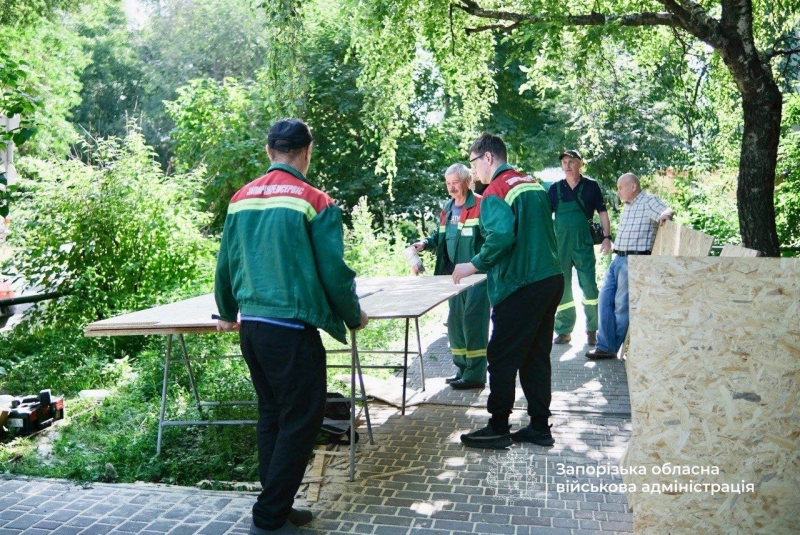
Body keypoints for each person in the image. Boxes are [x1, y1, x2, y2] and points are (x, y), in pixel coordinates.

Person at [214, 118, 369, 535]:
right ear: (307, 152)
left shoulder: (240, 199)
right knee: (302, 420)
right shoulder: (315, 201)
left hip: (253, 329)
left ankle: (278, 505)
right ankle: (269, 518)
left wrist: (227, 311)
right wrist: (353, 314)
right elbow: (333, 272)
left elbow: (225, 262)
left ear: (270, 151)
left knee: (272, 416)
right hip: (291, 331)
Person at [452, 133, 564, 449]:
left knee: (501, 356)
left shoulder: (496, 192)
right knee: (535, 356)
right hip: (550, 279)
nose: (473, 171)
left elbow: (501, 237)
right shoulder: (531, 184)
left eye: (474, 163)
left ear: (488, 158)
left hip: (521, 284)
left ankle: (498, 427)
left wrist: (473, 264)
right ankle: (539, 427)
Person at [412, 163, 490, 390]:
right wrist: (424, 243)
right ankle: (462, 369)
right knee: (456, 323)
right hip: (453, 277)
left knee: (473, 322)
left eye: (455, 182)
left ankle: (476, 375)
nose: (451, 188)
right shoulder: (447, 207)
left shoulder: (482, 204)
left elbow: (492, 240)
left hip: (477, 277)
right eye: (448, 183)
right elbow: (440, 236)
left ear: (467, 181)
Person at [586, 173, 674, 360]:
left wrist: (666, 215)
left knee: (621, 306)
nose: (618, 192)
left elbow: (666, 210)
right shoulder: (628, 205)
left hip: (633, 260)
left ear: (633, 187)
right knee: (604, 299)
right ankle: (605, 345)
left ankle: (609, 348)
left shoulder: (648, 201)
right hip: (618, 259)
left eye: (620, 188)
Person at [548, 150, 611, 346]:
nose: (567, 166)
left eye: (571, 162)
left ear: (580, 163)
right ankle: (564, 330)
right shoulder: (555, 189)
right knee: (562, 288)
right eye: (564, 162)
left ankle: (593, 329)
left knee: (589, 286)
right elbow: (545, 217)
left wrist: (607, 238)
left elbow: (603, 212)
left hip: (583, 244)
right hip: (561, 246)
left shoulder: (591, 186)